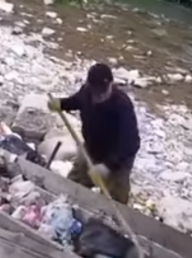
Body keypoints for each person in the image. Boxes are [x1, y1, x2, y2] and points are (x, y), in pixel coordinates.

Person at [47, 63, 141, 205]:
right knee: (73, 185)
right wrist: (60, 103)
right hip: (91, 150)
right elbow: (75, 101)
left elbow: (131, 143)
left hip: (117, 160)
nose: (99, 98)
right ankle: (65, 207)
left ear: (110, 84)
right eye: (96, 93)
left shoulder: (122, 105)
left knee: (114, 200)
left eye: (102, 93)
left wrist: (107, 166)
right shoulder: (86, 93)